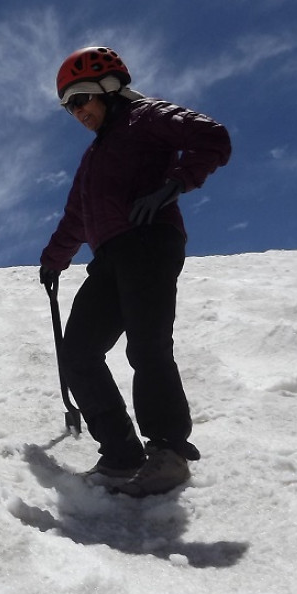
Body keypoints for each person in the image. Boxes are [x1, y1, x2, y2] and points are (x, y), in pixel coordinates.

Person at [39, 46, 231, 496]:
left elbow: (213, 138)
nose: (76, 112)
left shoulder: (145, 116)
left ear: (109, 88)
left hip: (150, 240)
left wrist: (173, 185)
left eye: (81, 99)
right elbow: (75, 217)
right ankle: (122, 454)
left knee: (147, 347)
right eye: (69, 106)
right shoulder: (92, 159)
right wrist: (54, 258)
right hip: (109, 257)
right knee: (78, 354)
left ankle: (169, 453)